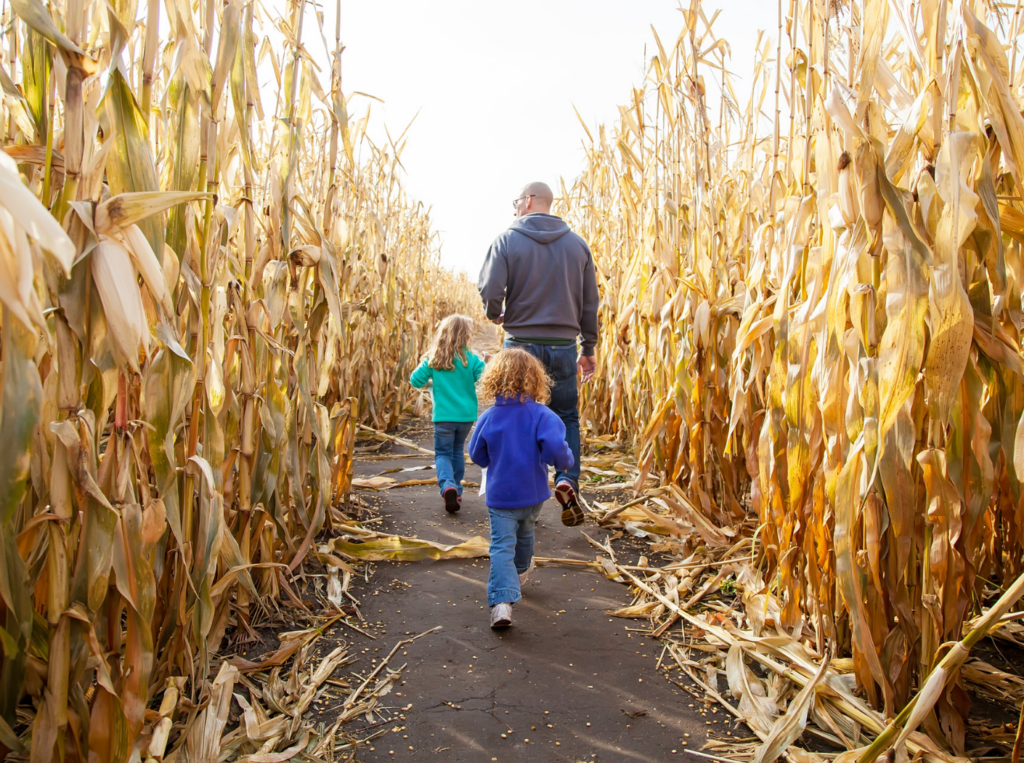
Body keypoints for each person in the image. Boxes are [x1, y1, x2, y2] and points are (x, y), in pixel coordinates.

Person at [477, 181, 598, 527]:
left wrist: (494, 311)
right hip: (563, 345)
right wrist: (588, 348)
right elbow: (590, 303)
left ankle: (516, 498)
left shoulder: (506, 240)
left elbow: (489, 287)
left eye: (516, 202)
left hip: (519, 345)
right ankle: (566, 478)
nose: (515, 209)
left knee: (513, 416)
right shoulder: (578, 246)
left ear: (528, 201)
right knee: (565, 415)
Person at [468, 349, 574, 628]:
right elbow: (556, 451)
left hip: (501, 495)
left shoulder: (489, 417)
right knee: (526, 533)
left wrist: (495, 456)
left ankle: (502, 602)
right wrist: (565, 463)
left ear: (494, 380)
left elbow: (476, 455)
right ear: (536, 379)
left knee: (502, 545)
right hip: (533, 494)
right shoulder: (543, 415)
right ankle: (520, 572)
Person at [409, 315, 486, 513]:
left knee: (443, 453)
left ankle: (447, 486)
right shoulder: (471, 359)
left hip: (444, 416)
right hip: (466, 416)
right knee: (457, 451)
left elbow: (415, 380)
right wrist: (468, 383)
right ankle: (457, 490)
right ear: (466, 335)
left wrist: (433, 383)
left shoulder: (434, 358)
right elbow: (485, 379)